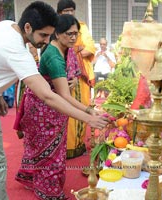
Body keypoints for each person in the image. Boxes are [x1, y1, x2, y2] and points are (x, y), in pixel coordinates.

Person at [0, 2, 107, 200]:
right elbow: (47, 95)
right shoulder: (19, 53)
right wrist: (88, 118)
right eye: (43, 35)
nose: (45, 41)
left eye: (49, 35)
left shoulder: (4, 26)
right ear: (28, 27)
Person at [15, 14, 90, 200]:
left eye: (76, 33)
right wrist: (88, 112)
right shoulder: (54, 57)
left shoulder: (59, 50)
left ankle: (36, 181)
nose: (73, 37)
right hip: (45, 109)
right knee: (51, 155)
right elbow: (63, 94)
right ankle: (49, 193)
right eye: (69, 33)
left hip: (46, 106)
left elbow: (61, 86)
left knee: (45, 149)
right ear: (57, 33)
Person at [57, 0, 97, 159]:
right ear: (59, 13)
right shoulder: (55, 28)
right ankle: (60, 147)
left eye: (71, 10)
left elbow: (90, 49)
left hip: (79, 77)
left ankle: (77, 145)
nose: (69, 14)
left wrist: (73, 51)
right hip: (60, 74)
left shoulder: (81, 27)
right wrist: (76, 48)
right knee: (62, 110)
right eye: (65, 11)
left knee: (80, 108)